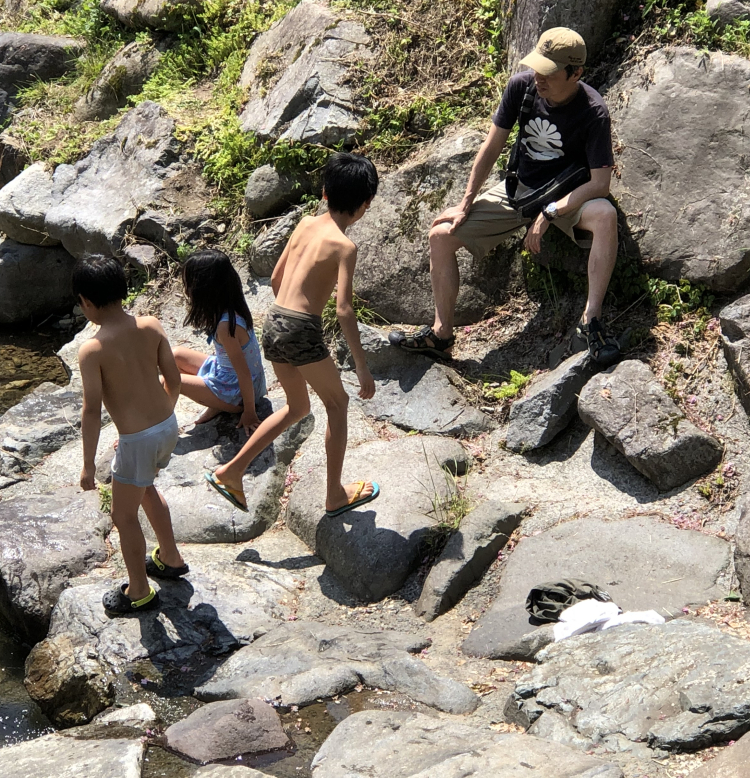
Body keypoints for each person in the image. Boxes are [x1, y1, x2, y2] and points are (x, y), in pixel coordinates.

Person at [388, 27, 621, 368]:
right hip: (519, 191)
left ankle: (591, 321)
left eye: (549, 72)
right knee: (440, 235)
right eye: (537, 67)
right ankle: (441, 336)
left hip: (566, 197)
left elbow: (600, 183)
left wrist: (551, 212)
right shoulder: (522, 87)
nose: (539, 77)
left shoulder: (593, 112)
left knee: (605, 214)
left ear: (575, 74)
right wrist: (466, 202)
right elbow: (492, 145)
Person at [207, 152, 380, 517]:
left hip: (273, 321)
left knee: (297, 407)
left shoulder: (304, 223)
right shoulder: (344, 246)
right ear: (365, 205)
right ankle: (334, 494)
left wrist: (286, 321)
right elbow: (344, 310)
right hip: (300, 327)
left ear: (325, 193)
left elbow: (275, 279)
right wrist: (362, 368)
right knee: (338, 404)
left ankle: (231, 471)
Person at [74, 254, 189, 616]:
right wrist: (161, 418)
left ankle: (138, 590)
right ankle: (170, 557)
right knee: (146, 487)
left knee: (124, 518)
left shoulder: (92, 350)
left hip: (138, 441)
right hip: (167, 427)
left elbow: (92, 410)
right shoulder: (152, 326)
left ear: (87, 302)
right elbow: (174, 380)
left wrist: (88, 466)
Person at [172, 249, 268, 434]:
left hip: (238, 392)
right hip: (227, 375)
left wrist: (249, 412)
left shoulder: (226, 327)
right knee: (175, 355)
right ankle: (216, 403)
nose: (186, 289)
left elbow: (244, 374)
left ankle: (158, 430)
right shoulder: (231, 307)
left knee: (167, 381)